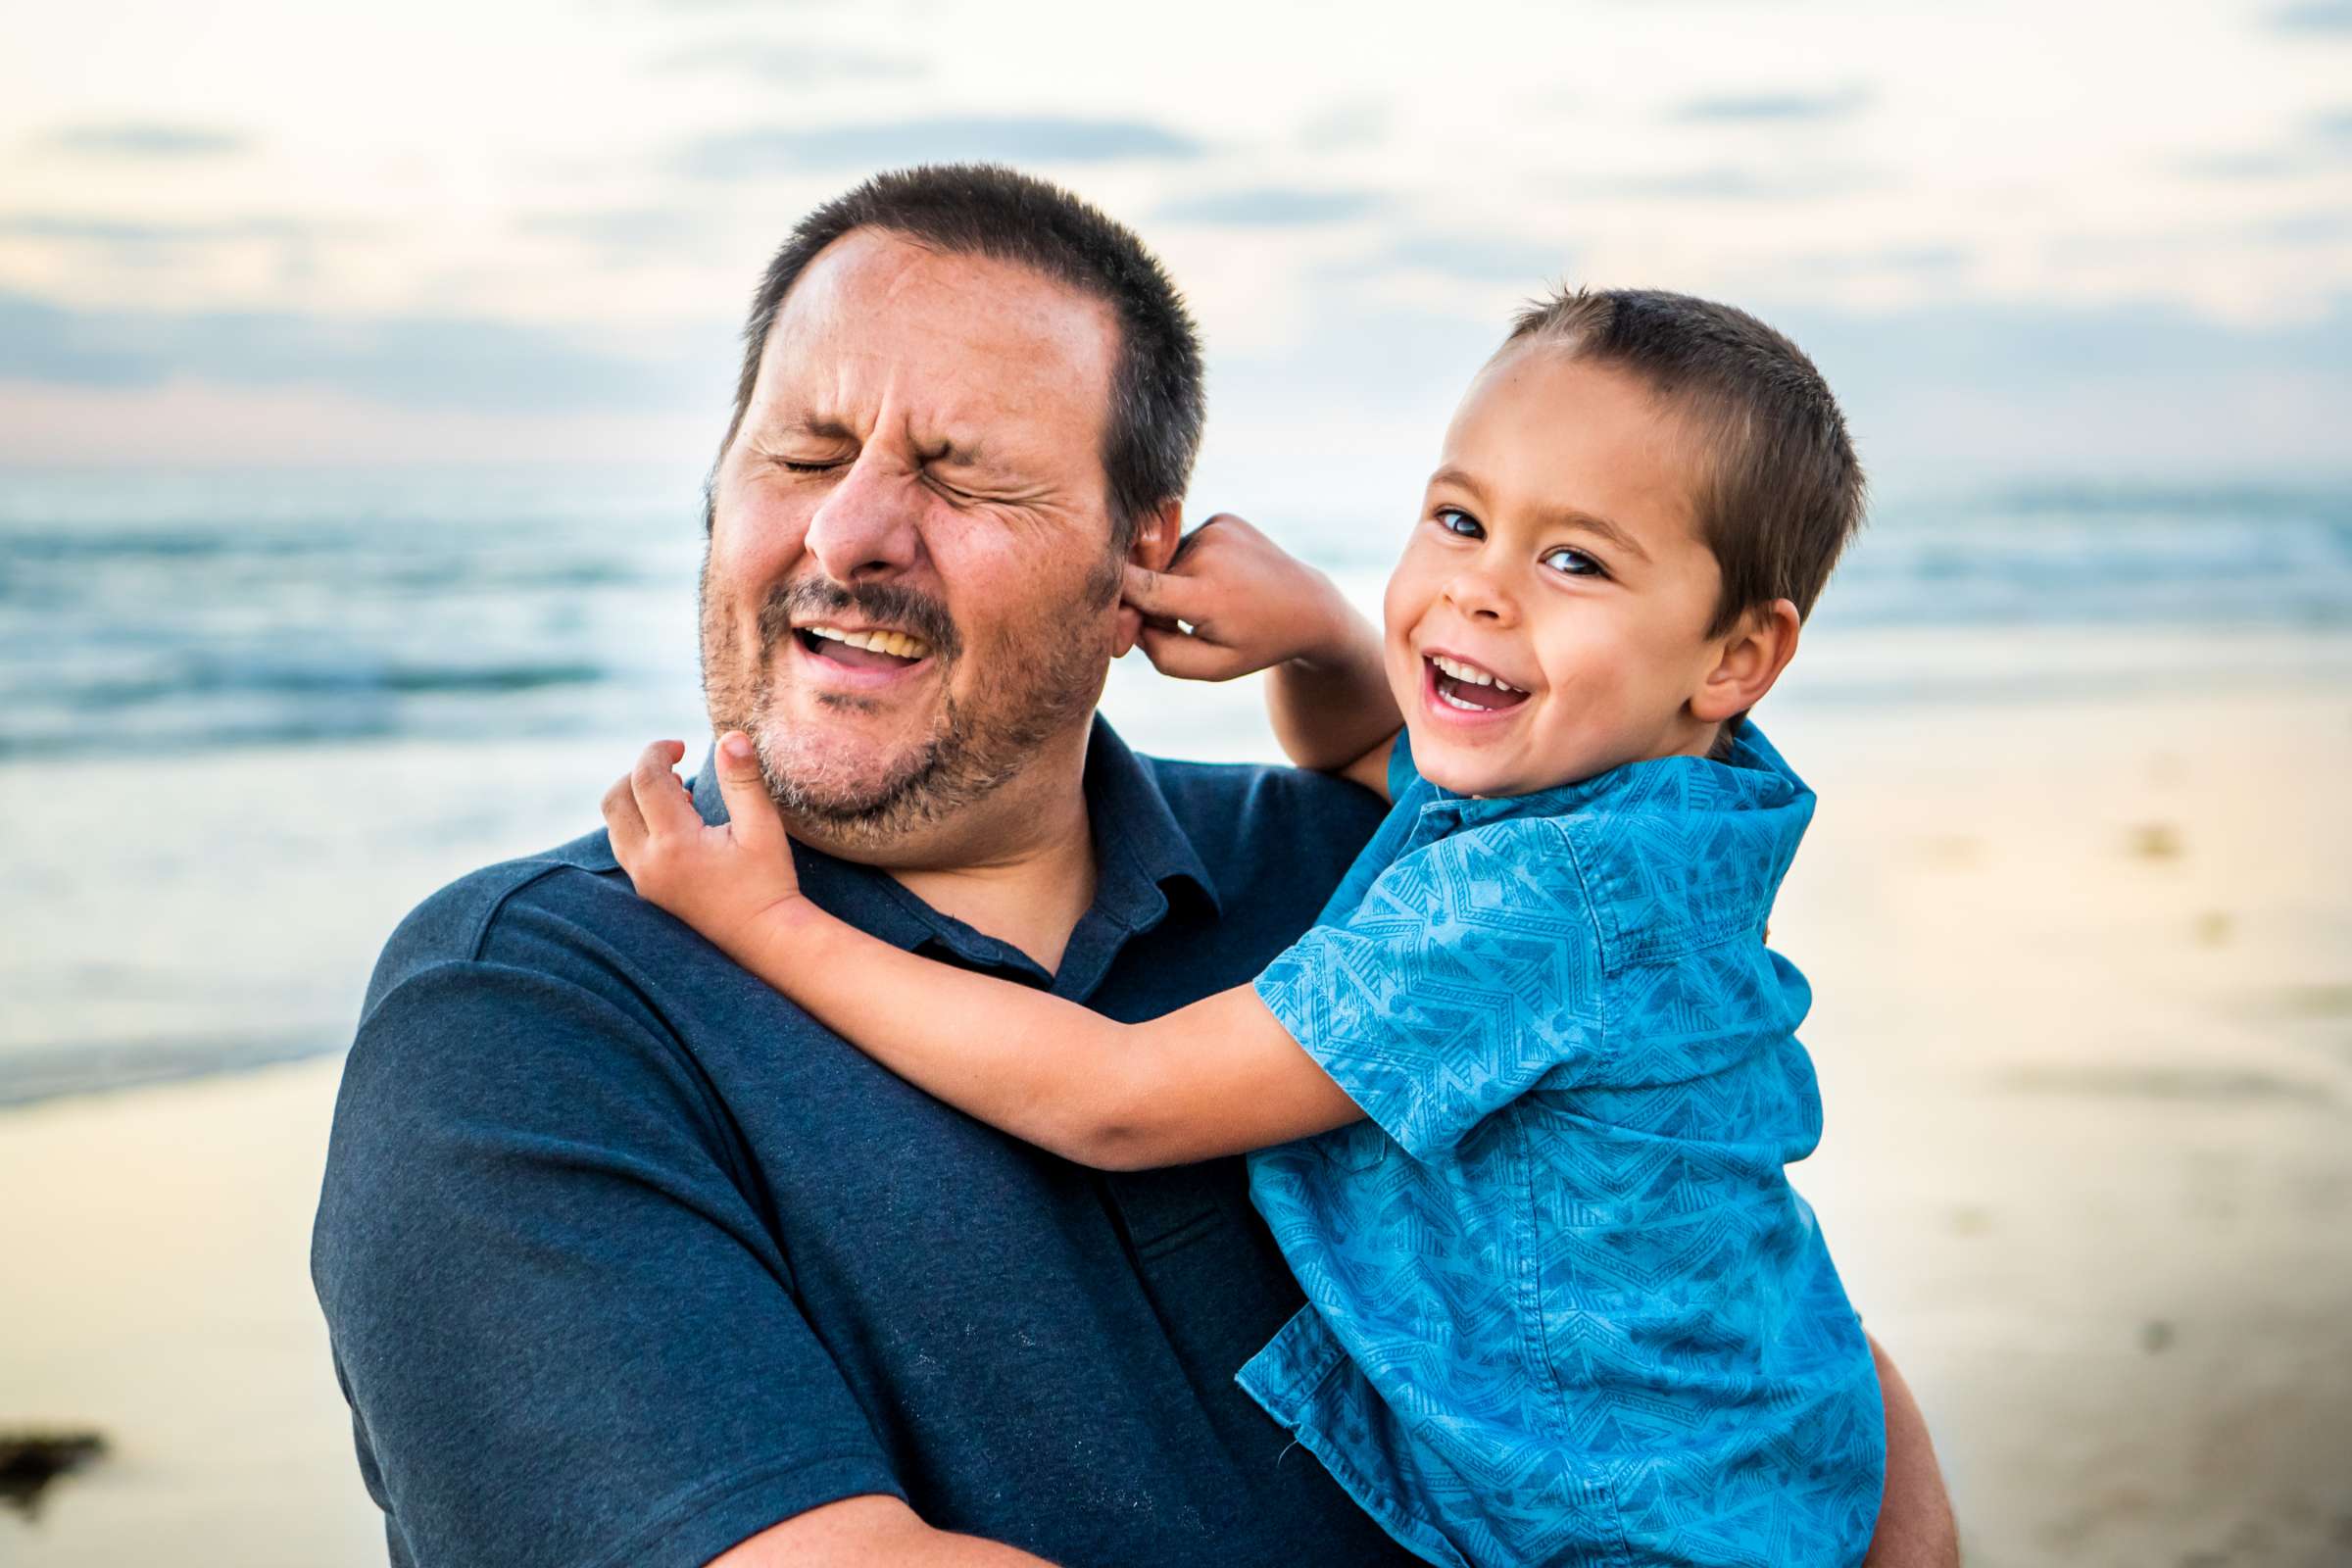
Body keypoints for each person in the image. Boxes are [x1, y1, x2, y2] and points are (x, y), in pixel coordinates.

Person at [314, 164, 1958, 1567]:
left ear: (1143, 561)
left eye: (965, 475)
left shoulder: (1377, 880)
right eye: (803, 457)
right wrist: (1327, 631)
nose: (850, 534)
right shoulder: (537, 1010)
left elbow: (1753, 1311)